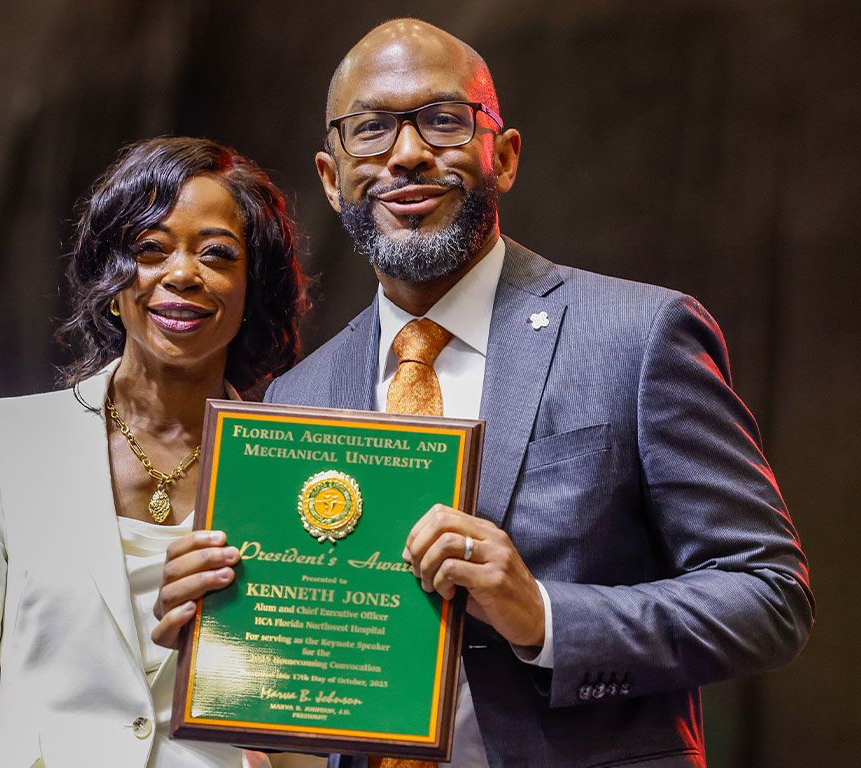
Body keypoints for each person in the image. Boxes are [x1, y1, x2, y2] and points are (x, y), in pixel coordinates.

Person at [153, 20, 814, 768]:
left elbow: (769, 597)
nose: (406, 155)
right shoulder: (295, 399)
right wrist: (228, 641)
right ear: (333, 179)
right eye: (369, 130)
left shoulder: (638, 335)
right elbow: (305, 694)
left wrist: (543, 617)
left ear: (503, 156)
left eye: (442, 121)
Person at [0, 137, 324, 768]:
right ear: (110, 275)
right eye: (150, 249)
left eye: (217, 253)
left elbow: (310, 716)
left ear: (250, 286)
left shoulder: (294, 472)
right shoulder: (2, 441)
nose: (182, 273)